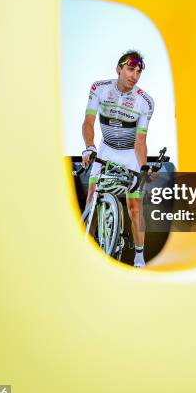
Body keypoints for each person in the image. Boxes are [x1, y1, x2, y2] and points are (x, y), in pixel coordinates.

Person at [81, 50, 155, 268]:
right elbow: (88, 122)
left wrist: (143, 167)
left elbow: (140, 141)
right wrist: (89, 147)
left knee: (134, 208)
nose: (135, 75)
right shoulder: (99, 89)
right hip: (105, 149)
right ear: (119, 69)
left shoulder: (145, 102)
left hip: (130, 155)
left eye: (139, 71)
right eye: (131, 69)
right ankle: (87, 251)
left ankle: (139, 258)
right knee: (92, 197)